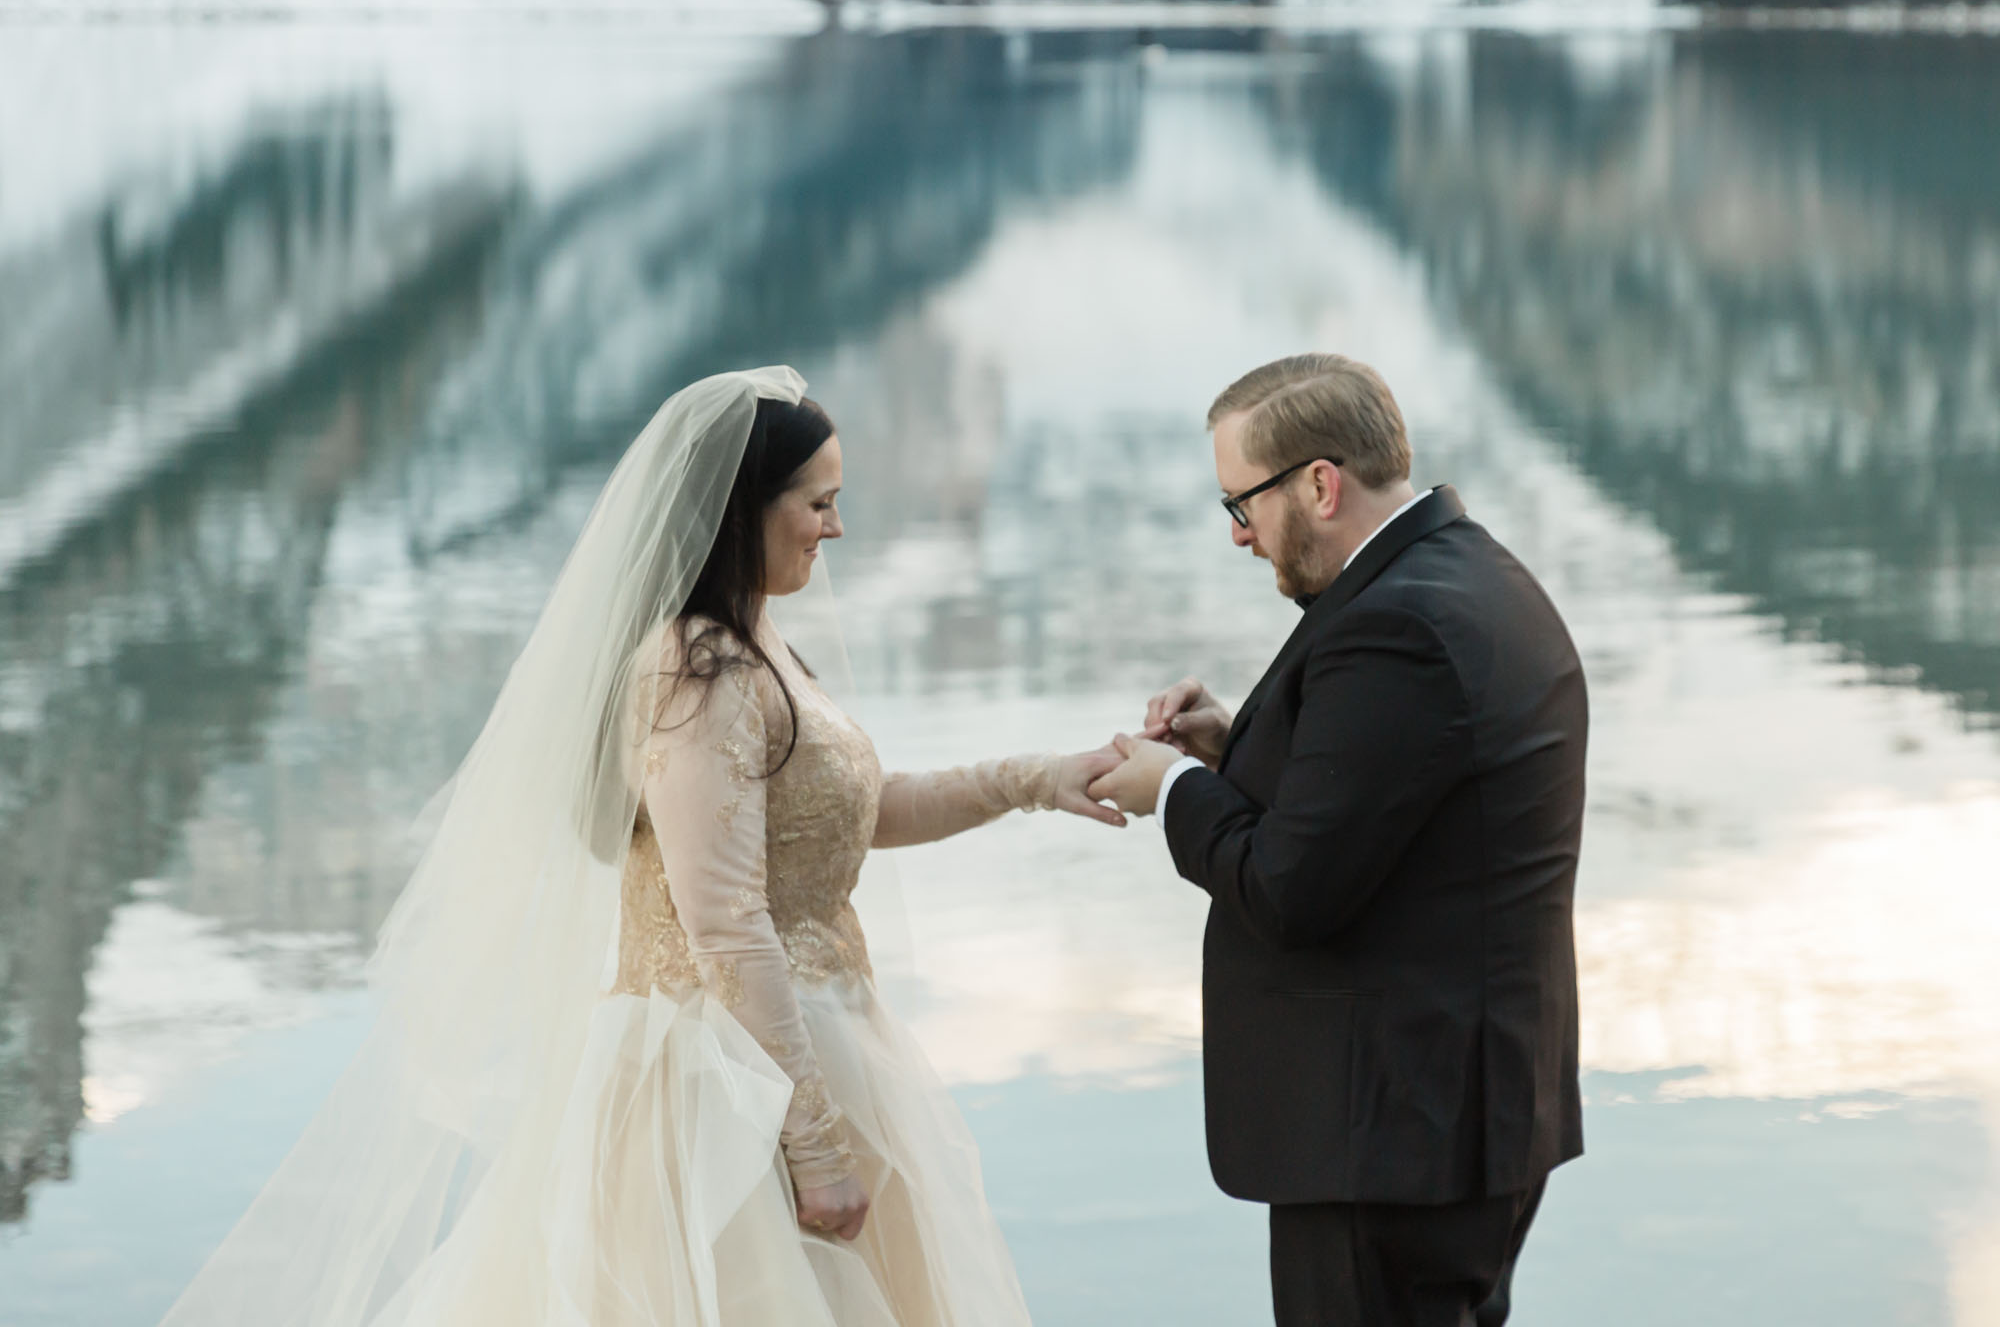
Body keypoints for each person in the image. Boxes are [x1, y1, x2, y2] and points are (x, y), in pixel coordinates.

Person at [160, 367, 1123, 1327]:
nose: (835, 528)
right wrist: (814, 1145)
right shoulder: (693, 669)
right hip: (718, 1086)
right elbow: (727, 922)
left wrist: (1041, 781)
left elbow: (850, 814)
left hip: (795, 1047)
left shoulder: (756, 643)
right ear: (743, 509)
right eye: (820, 504)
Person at [1089, 353, 1588, 1327]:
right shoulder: (1474, 572)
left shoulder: (1392, 625)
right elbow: (1402, 806)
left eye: (1241, 502)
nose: (1236, 534)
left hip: (1385, 1139)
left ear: (1318, 484)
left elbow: (1289, 891)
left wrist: (1177, 788)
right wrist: (1237, 746)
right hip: (1461, 1118)